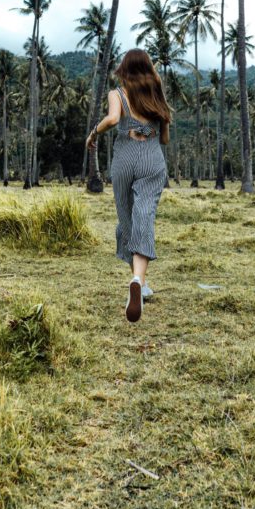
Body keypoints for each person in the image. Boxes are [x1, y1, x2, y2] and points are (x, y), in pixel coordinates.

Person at [87, 49, 170, 323]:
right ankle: (138, 280)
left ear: (123, 68)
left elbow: (112, 120)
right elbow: (165, 138)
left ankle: (139, 283)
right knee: (144, 217)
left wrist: (93, 134)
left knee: (127, 221)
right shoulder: (156, 96)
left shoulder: (117, 94)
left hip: (124, 158)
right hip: (151, 160)